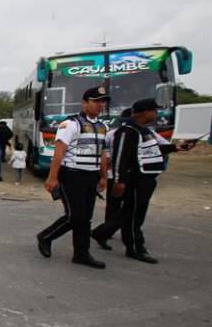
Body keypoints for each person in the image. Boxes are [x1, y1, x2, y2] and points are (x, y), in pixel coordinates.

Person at [108, 99, 196, 263]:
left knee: (135, 213)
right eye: (154, 111)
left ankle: (104, 234)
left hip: (147, 179)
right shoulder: (128, 132)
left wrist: (178, 147)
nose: (156, 114)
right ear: (144, 112)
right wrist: (119, 181)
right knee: (133, 215)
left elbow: (155, 149)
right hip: (134, 180)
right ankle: (134, 247)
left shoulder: (145, 131)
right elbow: (120, 158)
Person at [37, 86, 109, 269]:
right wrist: (52, 178)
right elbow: (59, 152)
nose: (100, 105)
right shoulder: (71, 124)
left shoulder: (102, 127)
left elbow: (102, 154)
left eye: (102, 101)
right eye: (96, 101)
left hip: (91, 176)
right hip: (72, 175)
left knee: (86, 217)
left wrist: (103, 177)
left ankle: (81, 254)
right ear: (84, 103)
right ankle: (46, 236)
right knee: (75, 216)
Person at [90, 108, 134, 250]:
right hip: (115, 176)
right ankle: (106, 232)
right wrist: (104, 172)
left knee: (129, 208)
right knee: (118, 207)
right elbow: (103, 152)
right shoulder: (113, 134)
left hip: (133, 177)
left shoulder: (145, 133)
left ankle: (107, 231)